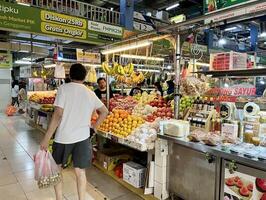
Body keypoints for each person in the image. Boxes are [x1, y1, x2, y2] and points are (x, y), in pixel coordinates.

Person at [40, 63, 108, 200]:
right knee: (80, 172)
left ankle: (59, 198)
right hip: (83, 138)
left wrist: (46, 138)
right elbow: (104, 112)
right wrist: (94, 128)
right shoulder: (90, 93)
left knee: (57, 169)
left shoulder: (63, 89)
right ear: (84, 77)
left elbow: (58, 115)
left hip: (63, 137)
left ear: (69, 75)